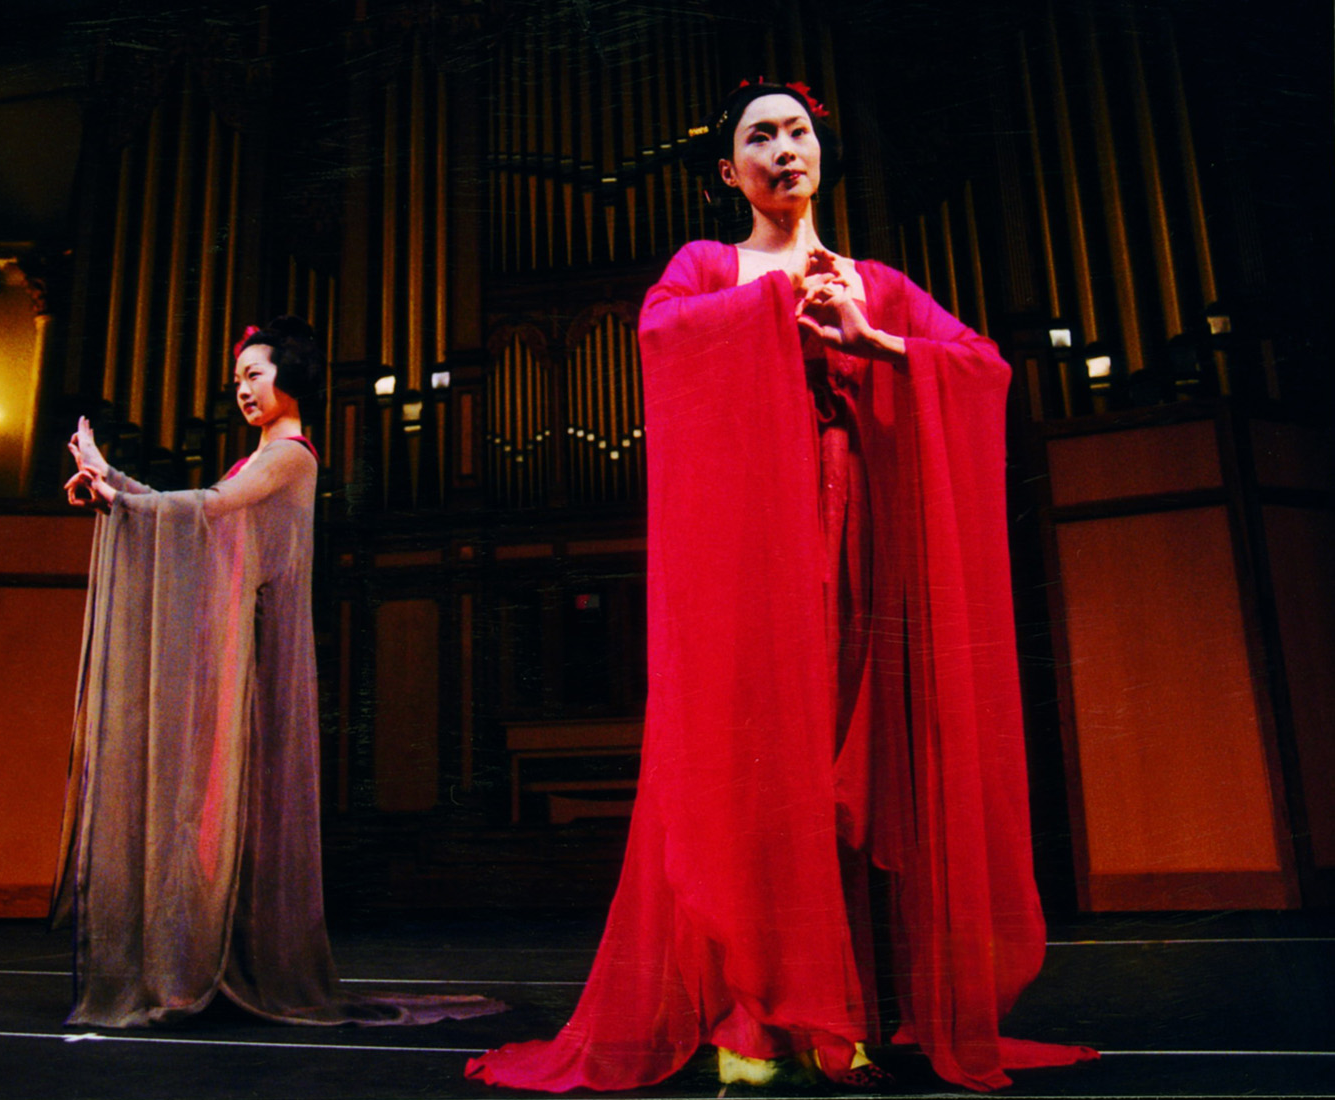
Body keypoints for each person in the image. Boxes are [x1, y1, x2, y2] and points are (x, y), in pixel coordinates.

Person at [466, 83, 1096, 1092]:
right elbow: (661, 336)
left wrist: (871, 339)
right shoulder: (708, 267)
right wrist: (775, 301)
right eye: (759, 137)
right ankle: (763, 1004)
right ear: (730, 172)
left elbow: (979, 367)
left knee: (852, 754)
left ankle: (852, 1004)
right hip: (754, 547)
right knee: (761, 754)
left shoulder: (874, 282)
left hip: (857, 538)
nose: (783, 148)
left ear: (821, 153)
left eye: (797, 132)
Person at [53, 316, 503, 1029]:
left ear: (290, 378)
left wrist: (117, 490)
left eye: (254, 375)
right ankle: (201, 958)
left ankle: (218, 961)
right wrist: (111, 480)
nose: (242, 390)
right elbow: (203, 518)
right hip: (229, 643)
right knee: (212, 805)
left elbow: (210, 509)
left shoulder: (290, 455)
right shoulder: (257, 459)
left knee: (230, 805)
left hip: (253, 653)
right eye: (237, 380)